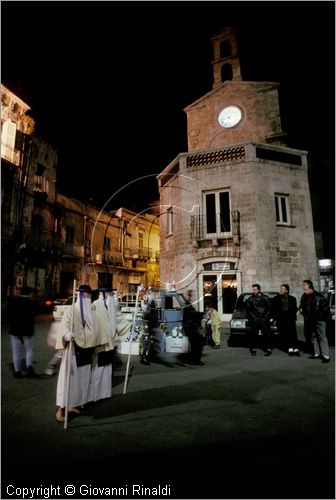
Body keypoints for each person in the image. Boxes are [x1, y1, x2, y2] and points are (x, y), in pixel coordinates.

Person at [54, 284, 109, 423]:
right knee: (68, 381)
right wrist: (67, 335)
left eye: (89, 295)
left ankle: (73, 404)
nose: (88, 297)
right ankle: (60, 410)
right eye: (85, 295)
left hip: (87, 352)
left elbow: (96, 327)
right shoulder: (71, 311)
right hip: (73, 351)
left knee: (83, 381)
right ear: (80, 295)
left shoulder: (92, 310)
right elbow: (64, 327)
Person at [92, 285, 129, 401]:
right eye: (110, 294)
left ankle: (104, 392)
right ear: (104, 294)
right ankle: (95, 393)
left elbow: (117, 320)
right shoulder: (95, 306)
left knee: (107, 368)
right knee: (99, 368)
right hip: (101, 342)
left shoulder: (111, 306)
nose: (112, 296)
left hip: (110, 342)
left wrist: (129, 325)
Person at [8, 286, 40, 378]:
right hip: (27, 330)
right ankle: (29, 369)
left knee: (16, 351)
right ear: (30, 293)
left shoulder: (13, 302)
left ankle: (17, 372)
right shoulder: (32, 303)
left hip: (14, 330)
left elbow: (9, 313)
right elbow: (37, 312)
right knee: (29, 349)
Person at [299, 279, 331, 363]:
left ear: (310, 287)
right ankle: (317, 353)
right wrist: (301, 310)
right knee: (314, 336)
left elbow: (326, 309)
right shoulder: (304, 296)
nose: (303, 288)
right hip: (310, 320)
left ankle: (326, 356)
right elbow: (301, 305)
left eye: (305, 287)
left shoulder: (319, 297)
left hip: (319, 320)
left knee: (322, 337)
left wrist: (319, 318)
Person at [271, 284, 299, 356]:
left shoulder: (292, 299)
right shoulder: (277, 299)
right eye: (280, 289)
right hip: (281, 319)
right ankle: (289, 348)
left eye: (283, 289)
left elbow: (294, 309)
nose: (281, 290)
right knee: (285, 333)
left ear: (287, 290)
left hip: (290, 319)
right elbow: (274, 309)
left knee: (293, 333)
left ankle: (295, 348)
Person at [246, 284, 272, 356]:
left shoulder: (265, 298)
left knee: (266, 334)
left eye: (255, 289)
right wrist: (253, 317)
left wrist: (265, 316)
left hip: (264, 319)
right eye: (253, 289)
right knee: (254, 334)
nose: (254, 291)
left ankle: (268, 349)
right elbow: (248, 310)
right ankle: (253, 349)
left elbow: (270, 309)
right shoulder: (250, 299)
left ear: (259, 290)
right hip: (255, 319)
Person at [182, 290, 205, 365]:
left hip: (191, 327)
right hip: (191, 328)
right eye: (193, 294)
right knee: (197, 343)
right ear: (190, 295)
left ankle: (194, 359)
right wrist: (201, 314)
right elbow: (191, 314)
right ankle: (195, 360)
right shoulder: (187, 305)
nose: (194, 296)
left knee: (196, 343)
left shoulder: (188, 304)